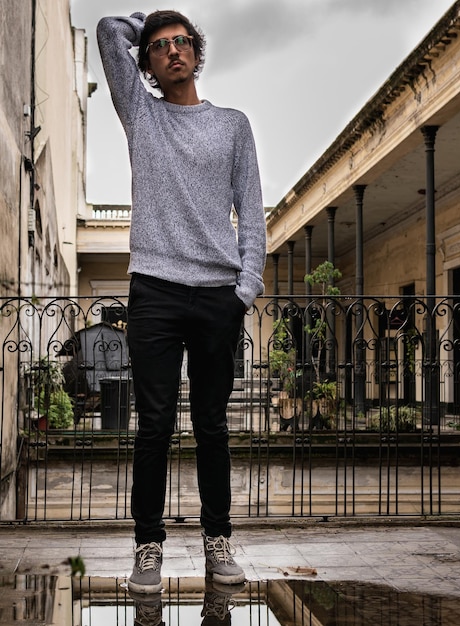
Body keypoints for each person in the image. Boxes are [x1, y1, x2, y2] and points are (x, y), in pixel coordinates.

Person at [97, 10, 267, 594]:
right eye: (160, 47)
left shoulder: (233, 125)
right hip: (155, 291)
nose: (173, 51)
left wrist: (244, 289)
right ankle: (148, 549)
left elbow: (252, 210)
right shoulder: (140, 114)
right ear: (146, 62)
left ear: (197, 53)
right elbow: (105, 30)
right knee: (155, 425)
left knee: (213, 425)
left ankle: (218, 542)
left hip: (218, 294)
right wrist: (143, 26)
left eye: (182, 43)